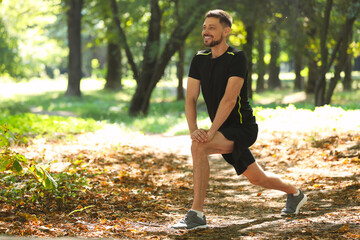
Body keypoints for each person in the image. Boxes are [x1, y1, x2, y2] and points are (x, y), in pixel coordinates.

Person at [171, 9, 307, 230]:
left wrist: (210, 132)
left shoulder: (237, 58)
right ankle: (295, 193)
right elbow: (191, 98)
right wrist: (193, 128)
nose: (206, 31)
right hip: (221, 129)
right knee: (257, 178)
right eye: (204, 27)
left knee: (199, 147)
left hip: (242, 128)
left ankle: (196, 215)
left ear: (226, 31)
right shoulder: (199, 59)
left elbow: (230, 100)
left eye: (212, 27)